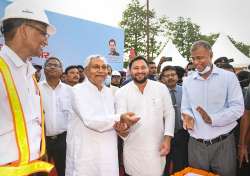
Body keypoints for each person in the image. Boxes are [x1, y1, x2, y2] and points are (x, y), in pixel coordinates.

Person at [0, 1, 56, 175]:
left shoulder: (30, 74)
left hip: (33, 167)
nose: (46, 40)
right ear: (24, 30)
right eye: (43, 33)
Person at [65, 55, 139, 176]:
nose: (101, 70)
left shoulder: (110, 92)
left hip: (108, 152)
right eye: (96, 67)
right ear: (86, 71)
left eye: (104, 67)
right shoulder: (77, 91)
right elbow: (90, 120)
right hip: (85, 151)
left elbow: (113, 120)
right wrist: (120, 118)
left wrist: (121, 129)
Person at [181, 40, 244, 176]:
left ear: (211, 55)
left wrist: (213, 119)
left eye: (200, 57)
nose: (196, 62)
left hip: (223, 144)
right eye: (193, 58)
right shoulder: (188, 81)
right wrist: (187, 116)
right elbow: (185, 107)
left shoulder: (229, 77)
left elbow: (238, 108)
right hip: (196, 145)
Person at [115, 56, 175, 176]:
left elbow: (169, 113)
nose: (140, 71)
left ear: (148, 69)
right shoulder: (121, 92)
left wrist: (167, 138)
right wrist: (123, 127)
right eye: (136, 68)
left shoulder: (161, 88)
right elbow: (121, 117)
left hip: (157, 146)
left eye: (143, 67)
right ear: (130, 71)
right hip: (133, 148)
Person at [39, 57, 72, 176]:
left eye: (56, 65)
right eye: (49, 64)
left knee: (64, 171)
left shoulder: (70, 91)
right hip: (40, 140)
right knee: (40, 172)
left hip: (63, 139)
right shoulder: (35, 88)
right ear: (44, 69)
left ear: (61, 70)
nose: (52, 67)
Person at [160, 66, 189, 174]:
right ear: (162, 78)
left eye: (173, 75)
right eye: (167, 76)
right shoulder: (158, 93)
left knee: (181, 164)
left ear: (177, 77)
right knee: (163, 165)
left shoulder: (185, 91)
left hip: (182, 134)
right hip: (163, 136)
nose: (170, 77)